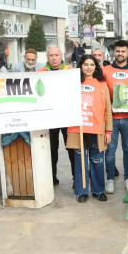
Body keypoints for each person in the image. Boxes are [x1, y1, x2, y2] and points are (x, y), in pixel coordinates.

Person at [66, 55, 112, 203]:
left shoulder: (102, 84)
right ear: (81, 66)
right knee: (80, 161)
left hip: (96, 129)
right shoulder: (73, 83)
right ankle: (81, 191)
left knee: (97, 160)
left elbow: (108, 110)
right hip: (78, 129)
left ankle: (99, 190)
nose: (89, 67)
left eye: (92, 64)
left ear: (96, 67)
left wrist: (108, 131)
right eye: (86, 64)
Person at [102, 40, 128, 193]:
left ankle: (127, 178)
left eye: (123, 51)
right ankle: (110, 179)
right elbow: (101, 92)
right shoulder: (105, 70)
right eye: (117, 51)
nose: (120, 54)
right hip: (111, 118)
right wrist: (108, 105)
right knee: (110, 150)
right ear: (114, 52)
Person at [38, 45, 75, 185]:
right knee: (51, 149)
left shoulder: (70, 71)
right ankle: (51, 177)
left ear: (61, 56)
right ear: (47, 57)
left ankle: (75, 177)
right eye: (51, 55)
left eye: (56, 55)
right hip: (49, 118)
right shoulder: (40, 72)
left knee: (71, 147)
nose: (54, 58)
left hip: (68, 117)